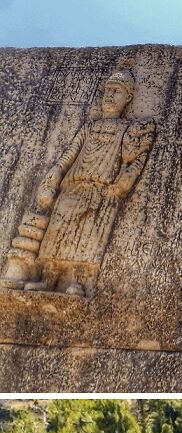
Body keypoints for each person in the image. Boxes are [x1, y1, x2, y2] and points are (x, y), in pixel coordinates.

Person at [19, 68, 155, 296]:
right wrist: (56, 172)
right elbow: (70, 154)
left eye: (117, 92)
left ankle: (78, 280)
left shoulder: (126, 130)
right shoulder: (89, 127)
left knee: (88, 235)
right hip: (73, 186)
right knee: (58, 230)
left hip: (101, 189)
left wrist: (124, 181)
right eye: (108, 91)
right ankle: (48, 277)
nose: (110, 96)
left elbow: (131, 159)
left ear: (129, 98)